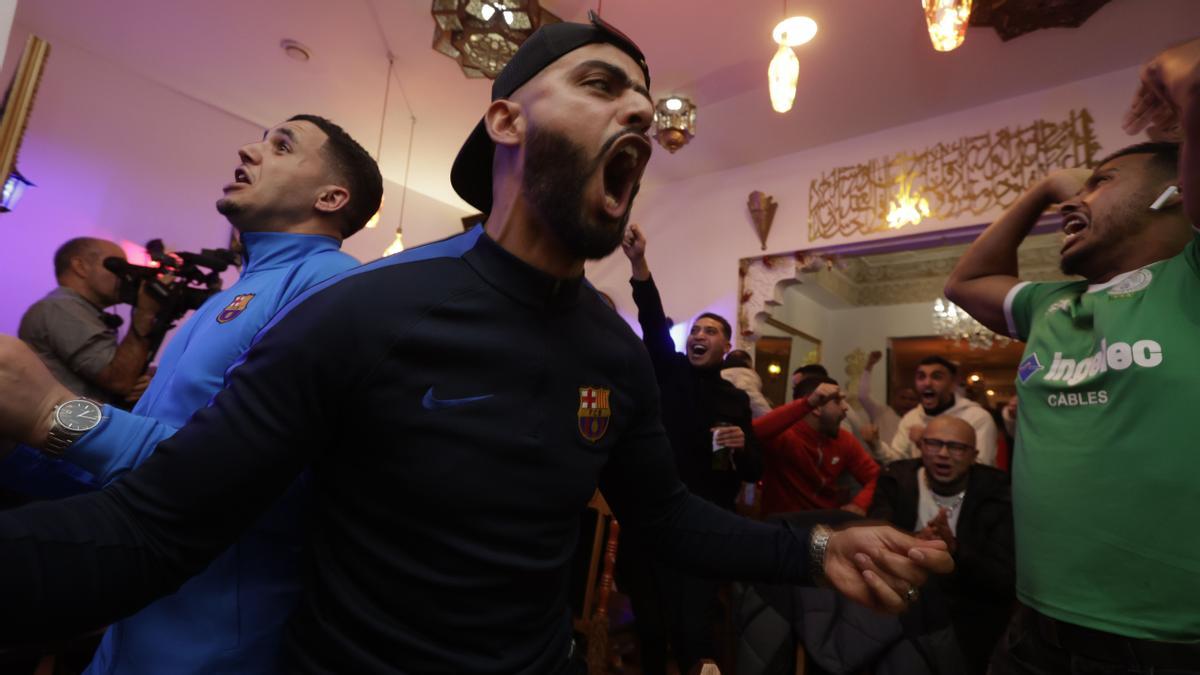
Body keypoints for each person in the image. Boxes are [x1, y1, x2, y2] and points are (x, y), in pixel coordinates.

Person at [0, 15, 952, 673]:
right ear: (505, 119)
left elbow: (663, 517)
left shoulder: (615, 351)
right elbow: (162, 522)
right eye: (600, 84)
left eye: (646, 103)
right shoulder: (361, 313)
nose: (640, 115)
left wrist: (816, 542)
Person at [0, 115, 377, 674]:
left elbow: (253, 477)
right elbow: (149, 454)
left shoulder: (329, 286)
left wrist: (51, 412)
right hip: (136, 608)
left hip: (213, 638)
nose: (249, 150)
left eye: (281, 146)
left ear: (331, 196)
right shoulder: (237, 293)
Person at [944, 37, 1200, 674]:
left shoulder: (1190, 277)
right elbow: (965, 284)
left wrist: (1178, 75)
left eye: (1104, 184)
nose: (1072, 205)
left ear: (1175, 195)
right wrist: (1042, 190)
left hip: (1165, 651)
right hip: (1032, 630)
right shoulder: (1056, 304)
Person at [620, 222, 763, 674]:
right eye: (696, 329)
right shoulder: (671, 371)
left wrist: (741, 447)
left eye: (711, 330)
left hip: (705, 525)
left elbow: (753, 470)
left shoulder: (735, 400)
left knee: (691, 631)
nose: (699, 335)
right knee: (651, 628)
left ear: (727, 345)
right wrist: (639, 263)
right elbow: (650, 320)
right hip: (655, 518)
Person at [868, 417, 1015, 674]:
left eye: (956, 447)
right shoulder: (896, 480)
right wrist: (912, 542)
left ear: (974, 455)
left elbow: (1003, 577)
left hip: (970, 618)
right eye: (934, 444)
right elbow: (871, 546)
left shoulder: (996, 490)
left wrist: (954, 550)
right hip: (901, 612)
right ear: (921, 446)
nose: (943, 454)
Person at [18, 237, 156, 405]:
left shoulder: (81, 311)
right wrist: (145, 313)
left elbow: (121, 378)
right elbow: (118, 381)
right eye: (117, 267)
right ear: (80, 266)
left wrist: (140, 380)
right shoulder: (61, 309)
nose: (124, 277)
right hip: (62, 426)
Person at [753, 377, 879, 516]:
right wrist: (807, 404)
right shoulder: (785, 434)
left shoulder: (844, 440)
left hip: (824, 527)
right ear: (817, 408)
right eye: (837, 401)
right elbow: (753, 432)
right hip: (784, 527)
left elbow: (877, 477)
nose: (845, 407)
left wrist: (859, 504)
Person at [884, 356, 998, 466]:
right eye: (921, 377)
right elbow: (896, 462)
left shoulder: (978, 417)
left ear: (953, 383)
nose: (927, 383)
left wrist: (924, 443)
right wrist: (875, 445)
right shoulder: (911, 418)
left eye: (936, 377)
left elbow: (981, 466)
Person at [856, 350, 919, 463]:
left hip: (904, 466)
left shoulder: (917, 417)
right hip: (878, 462)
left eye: (912, 399)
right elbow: (863, 395)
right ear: (894, 398)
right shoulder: (880, 411)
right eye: (903, 398)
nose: (907, 402)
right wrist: (869, 366)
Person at [721, 349, 773, 418]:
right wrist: (774, 419)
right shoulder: (744, 376)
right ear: (748, 363)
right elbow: (756, 402)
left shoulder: (719, 375)